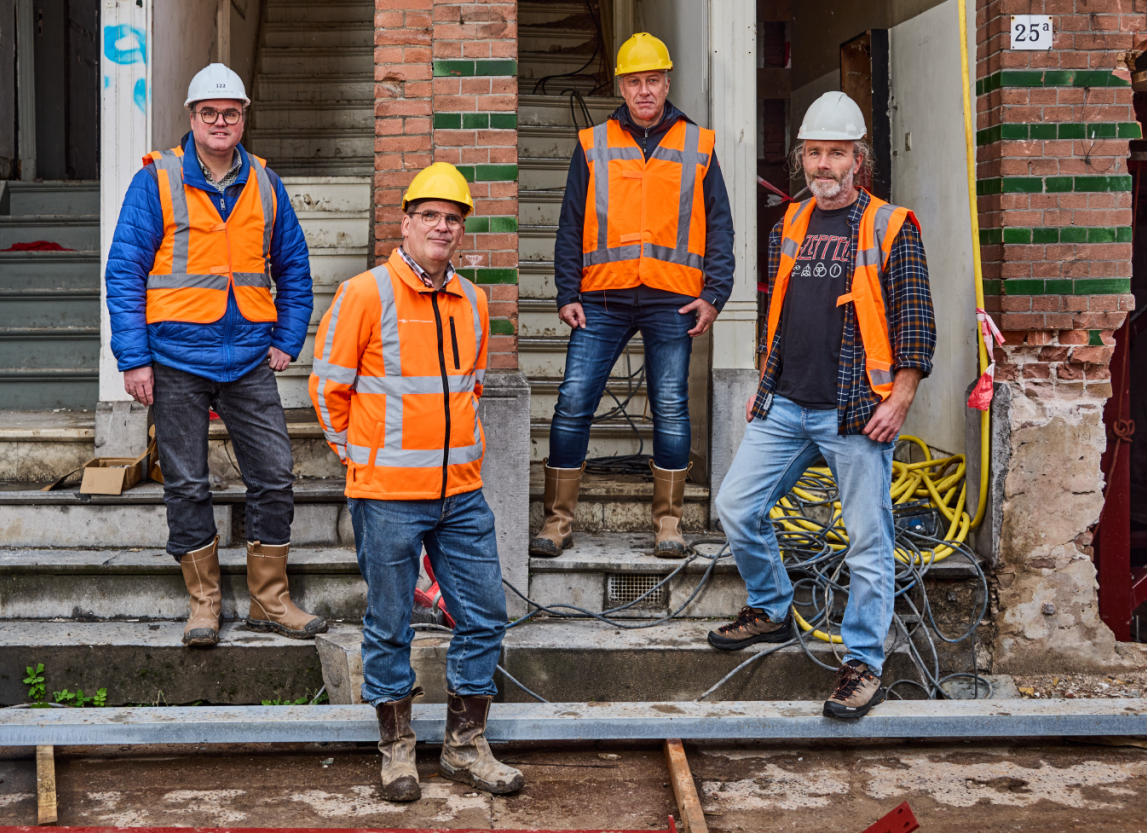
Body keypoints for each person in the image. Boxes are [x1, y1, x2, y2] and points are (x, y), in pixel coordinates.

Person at [709, 91, 937, 720]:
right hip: (785, 403)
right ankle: (772, 607)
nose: (823, 165)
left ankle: (864, 659)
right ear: (802, 158)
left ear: (857, 160)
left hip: (858, 408)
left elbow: (915, 322)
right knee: (735, 506)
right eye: (814, 153)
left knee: (867, 539)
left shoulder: (892, 225)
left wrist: (903, 398)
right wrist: (765, 378)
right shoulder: (791, 223)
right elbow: (780, 313)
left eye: (836, 153)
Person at [308, 163, 524, 803]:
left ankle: (464, 746)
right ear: (405, 223)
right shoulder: (365, 294)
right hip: (387, 499)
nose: (442, 226)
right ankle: (397, 751)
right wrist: (363, 461)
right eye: (430, 215)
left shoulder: (475, 301)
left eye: (453, 218)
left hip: (461, 494)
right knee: (388, 625)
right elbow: (327, 390)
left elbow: (473, 386)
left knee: (484, 616)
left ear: (462, 230)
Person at [104, 63, 325, 648]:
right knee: (185, 482)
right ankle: (204, 604)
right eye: (210, 113)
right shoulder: (156, 180)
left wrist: (287, 339)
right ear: (193, 117)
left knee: (274, 475)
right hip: (175, 356)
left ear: (243, 117)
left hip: (249, 354)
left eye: (230, 113)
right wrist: (133, 359)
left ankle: (268, 602)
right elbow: (124, 271)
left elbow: (295, 270)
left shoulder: (267, 185)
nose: (220, 122)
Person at [534, 32, 736, 561]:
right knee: (574, 402)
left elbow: (720, 226)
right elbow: (570, 222)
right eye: (633, 81)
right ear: (621, 87)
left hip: (673, 297)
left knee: (670, 408)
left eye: (652, 80)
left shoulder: (698, 145)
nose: (644, 90)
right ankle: (556, 523)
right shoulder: (594, 143)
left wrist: (715, 292)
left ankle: (669, 525)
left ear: (667, 82)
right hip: (601, 297)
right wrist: (565, 291)